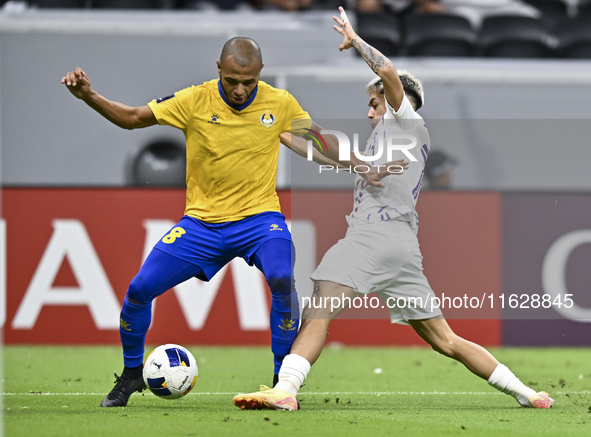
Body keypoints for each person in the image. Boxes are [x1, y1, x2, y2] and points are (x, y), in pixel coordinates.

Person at [232, 7, 554, 411]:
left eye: (373, 104)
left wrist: (355, 40)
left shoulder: (406, 122)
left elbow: (387, 73)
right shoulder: (384, 143)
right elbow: (325, 153)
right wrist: (275, 131)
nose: (369, 112)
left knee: (319, 307)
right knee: (445, 340)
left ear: (396, 101)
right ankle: (528, 394)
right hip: (402, 246)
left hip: (372, 237)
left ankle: (286, 390)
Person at [61, 36, 392, 408]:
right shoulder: (194, 99)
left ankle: (282, 383)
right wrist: (89, 96)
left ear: (260, 74)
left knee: (283, 277)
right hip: (201, 225)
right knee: (138, 291)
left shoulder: (279, 102)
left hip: (259, 220)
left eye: (248, 82)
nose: (239, 89)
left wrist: (359, 163)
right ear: (219, 69)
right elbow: (133, 118)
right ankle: (132, 374)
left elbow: (317, 138)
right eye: (232, 80)